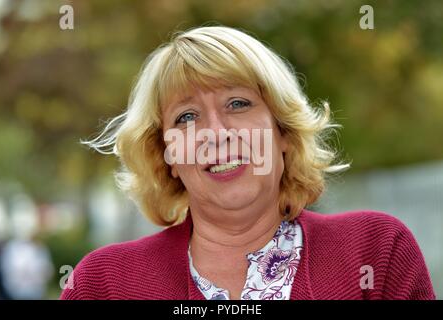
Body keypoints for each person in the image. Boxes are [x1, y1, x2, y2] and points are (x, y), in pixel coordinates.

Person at [60, 25, 435, 300]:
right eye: (187, 117)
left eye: (238, 103)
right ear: (168, 155)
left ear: (283, 132)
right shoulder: (102, 284)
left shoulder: (376, 250)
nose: (216, 132)